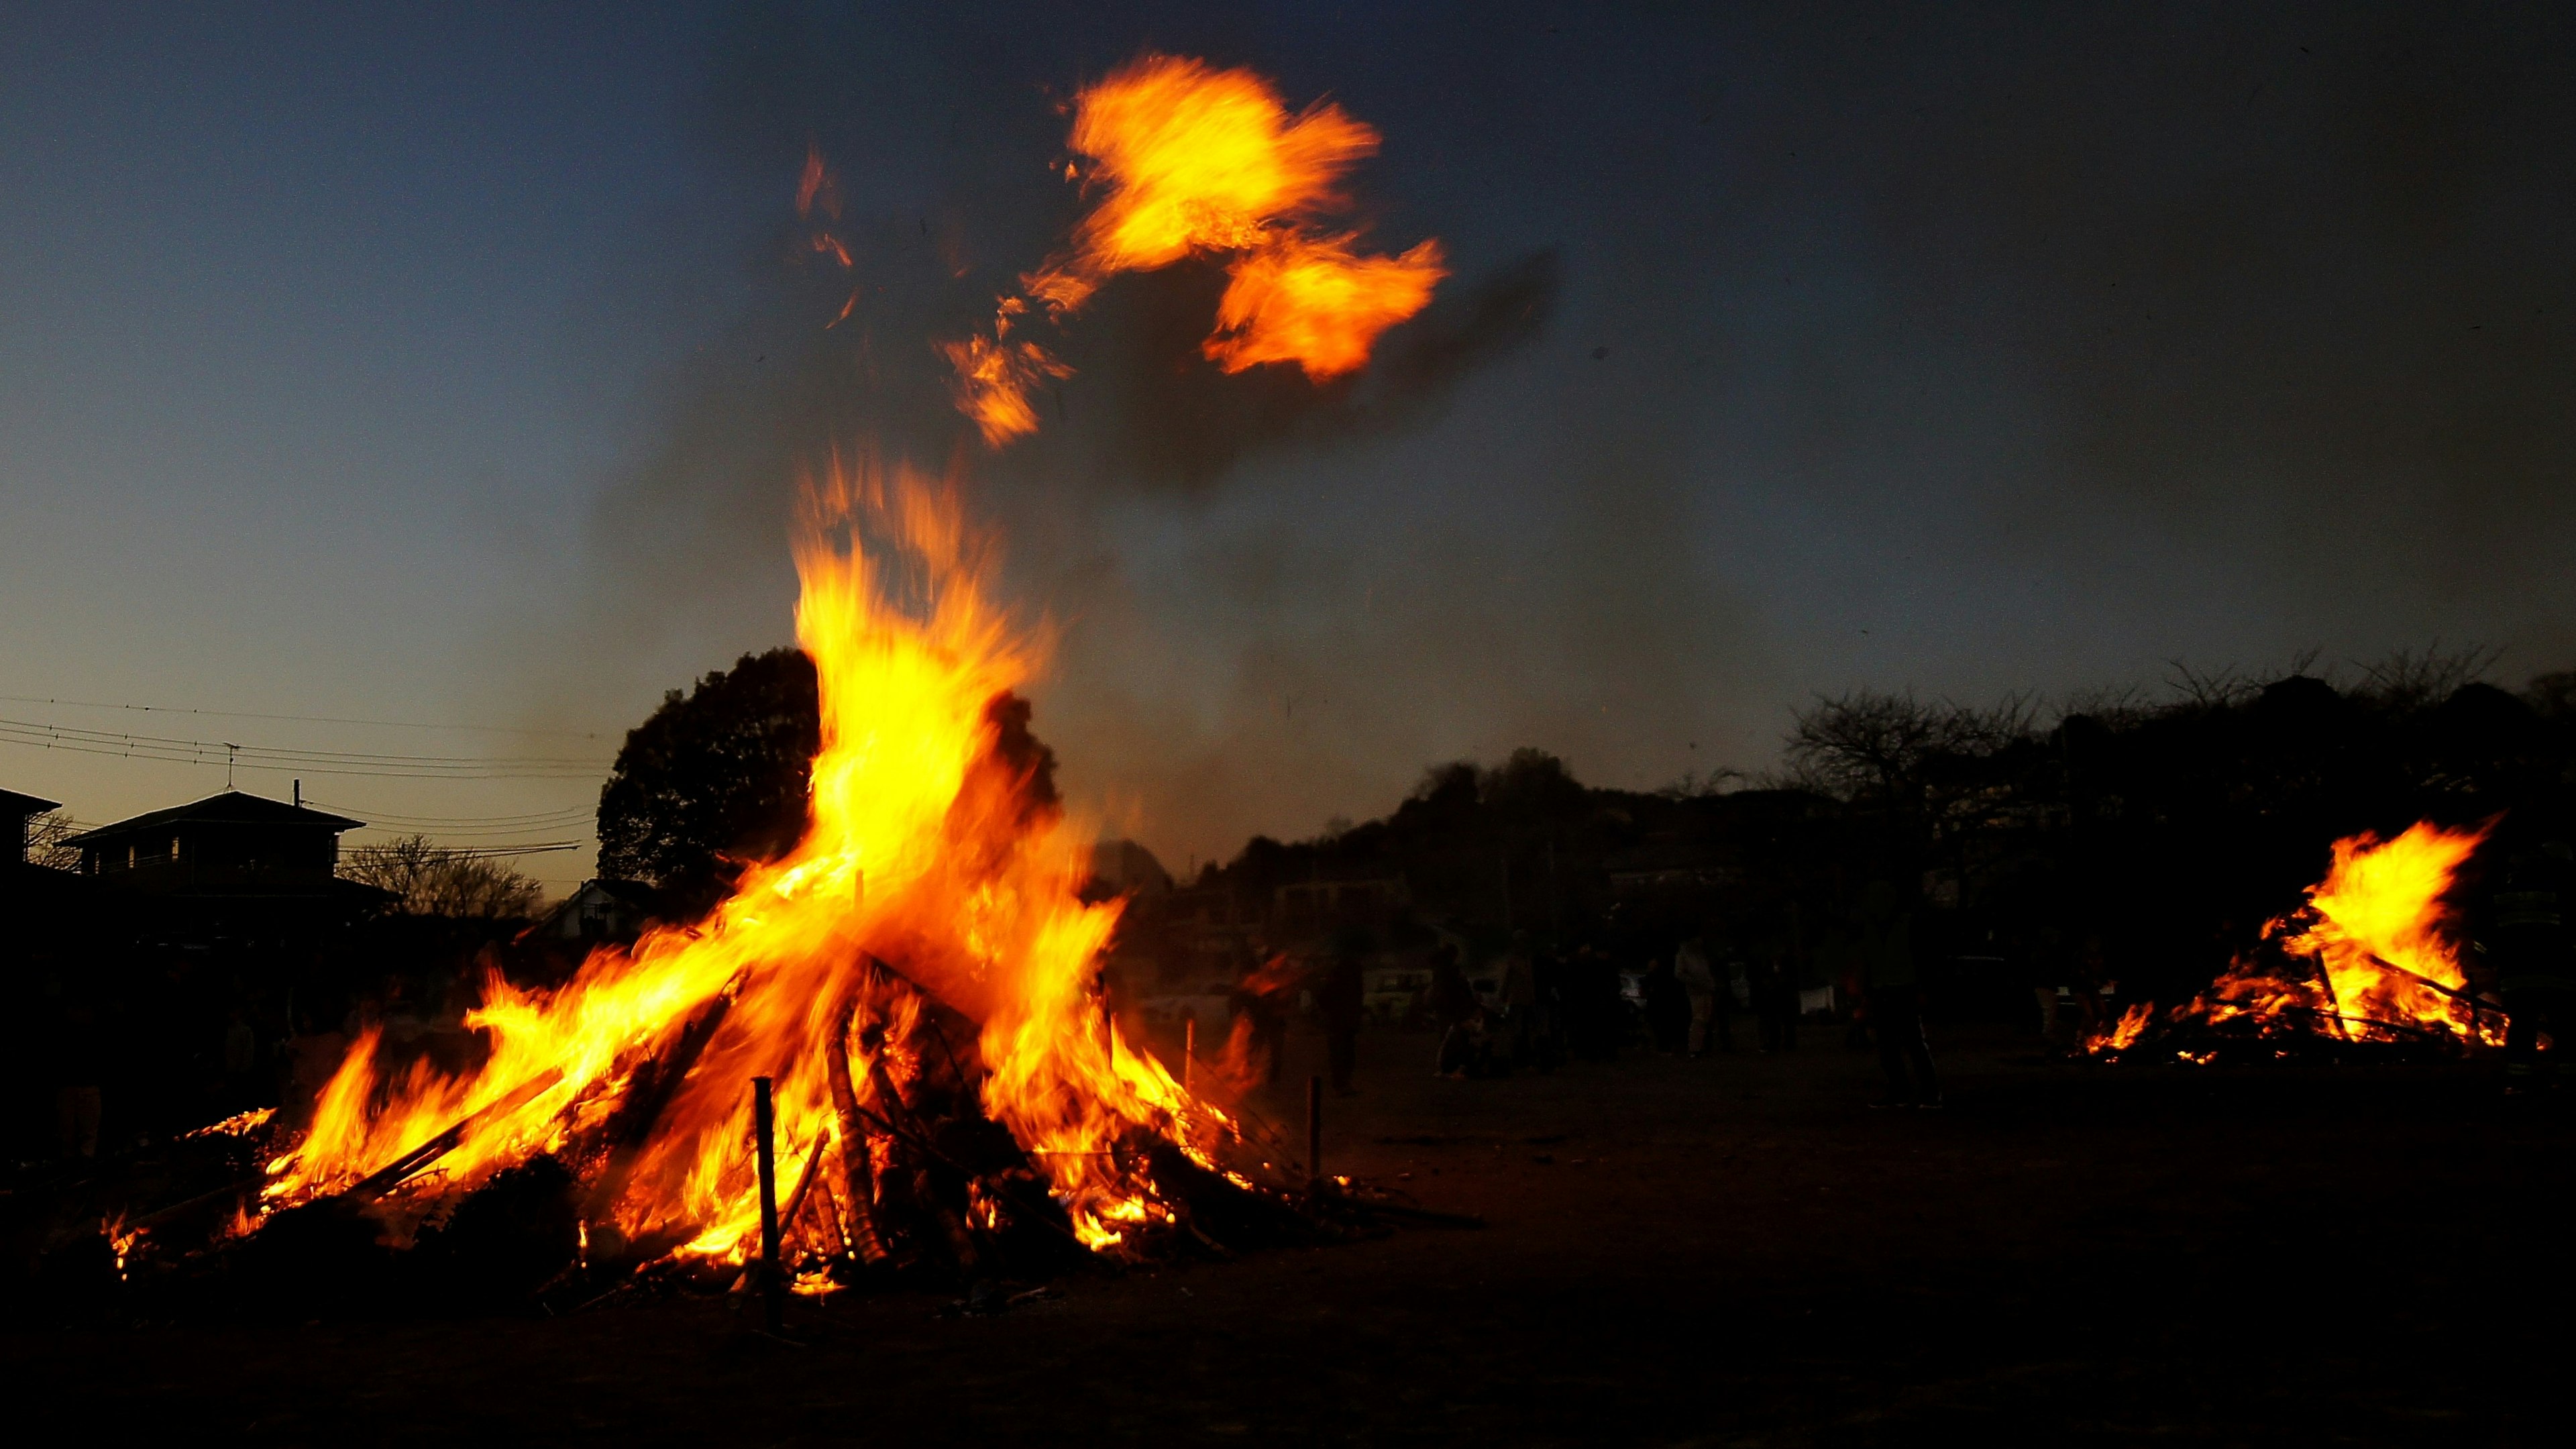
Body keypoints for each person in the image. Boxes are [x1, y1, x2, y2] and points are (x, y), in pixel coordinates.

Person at [2475, 817, 2574, 1093]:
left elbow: (2486, 930)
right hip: (2557, 970)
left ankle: (2520, 1080)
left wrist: (2488, 960)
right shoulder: (2563, 889)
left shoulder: (2506, 887)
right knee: (2564, 1026)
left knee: (2522, 1026)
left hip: (2518, 971)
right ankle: (2566, 1080)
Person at [1856, 879, 1940, 1107]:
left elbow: (1921, 958)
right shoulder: (1873, 927)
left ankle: (1927, 1092)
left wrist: (1921, 988)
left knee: (1912, 1043)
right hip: (1884, 989)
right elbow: (1868, 960)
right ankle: (1900, 1090)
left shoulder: (1906, 925)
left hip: (1903, 988)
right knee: (1889, 1046)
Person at [1318, 943, 1366, 1096]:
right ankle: (1343, 1085)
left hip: (1339, 1020)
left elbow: (1324, 998)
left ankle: (1342, 1084)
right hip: (1343, 1020)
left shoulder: (1337, 974)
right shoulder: (1349, 976)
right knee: (1344, 1054)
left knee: (1341, 1054)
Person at [1428, 944, 1479, 1077]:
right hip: (1452, 1008)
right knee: (1453, 1036)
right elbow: (1461, 989)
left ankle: (1449, 1064)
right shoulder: (1451, 971)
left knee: (1447, 1036)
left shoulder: (1440, 970)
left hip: (1446, 1008)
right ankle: (1452, 1064)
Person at [1674, 934, 1718, 1057]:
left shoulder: (1699, 954)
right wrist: (1696, 982)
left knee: (1705, 1019)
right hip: (1696, 990)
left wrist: (1710, 983)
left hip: (1706, 989)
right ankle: (1695, 1047)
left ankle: (1701, 1045)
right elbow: (1679, 974)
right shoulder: (1685, 954)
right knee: (1698, 1018)